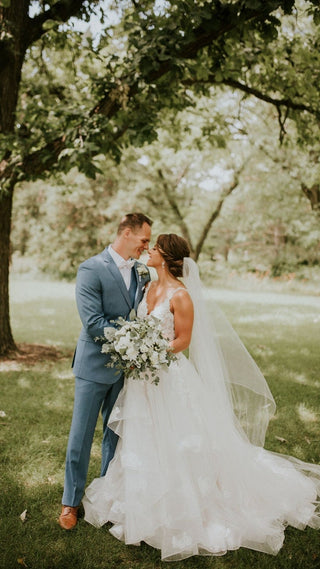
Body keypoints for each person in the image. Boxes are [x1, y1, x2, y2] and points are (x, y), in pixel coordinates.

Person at [82, 234, 320, 561]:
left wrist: (149, 351)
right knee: (144, 435)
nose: (148, 251)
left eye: (153, 248)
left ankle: (185, 502)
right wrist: (134, 349)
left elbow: (182, 340)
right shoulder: (148, 288)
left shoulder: (182, 295)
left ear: (164, 257)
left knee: (179, 437)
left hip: (166, 375)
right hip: (141, 379)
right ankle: (138, 497)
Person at [58, 213, 152, 530]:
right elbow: (94, 322)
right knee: (81, 437)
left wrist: (140, 344)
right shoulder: (91, 269)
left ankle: (105, 496)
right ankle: (70, 502)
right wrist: (133, 340)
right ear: (126, 233)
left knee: (116, 435)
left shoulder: (142, 273)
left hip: (127, 370)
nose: (146, 247)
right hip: (93, 365)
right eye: (143, 240)